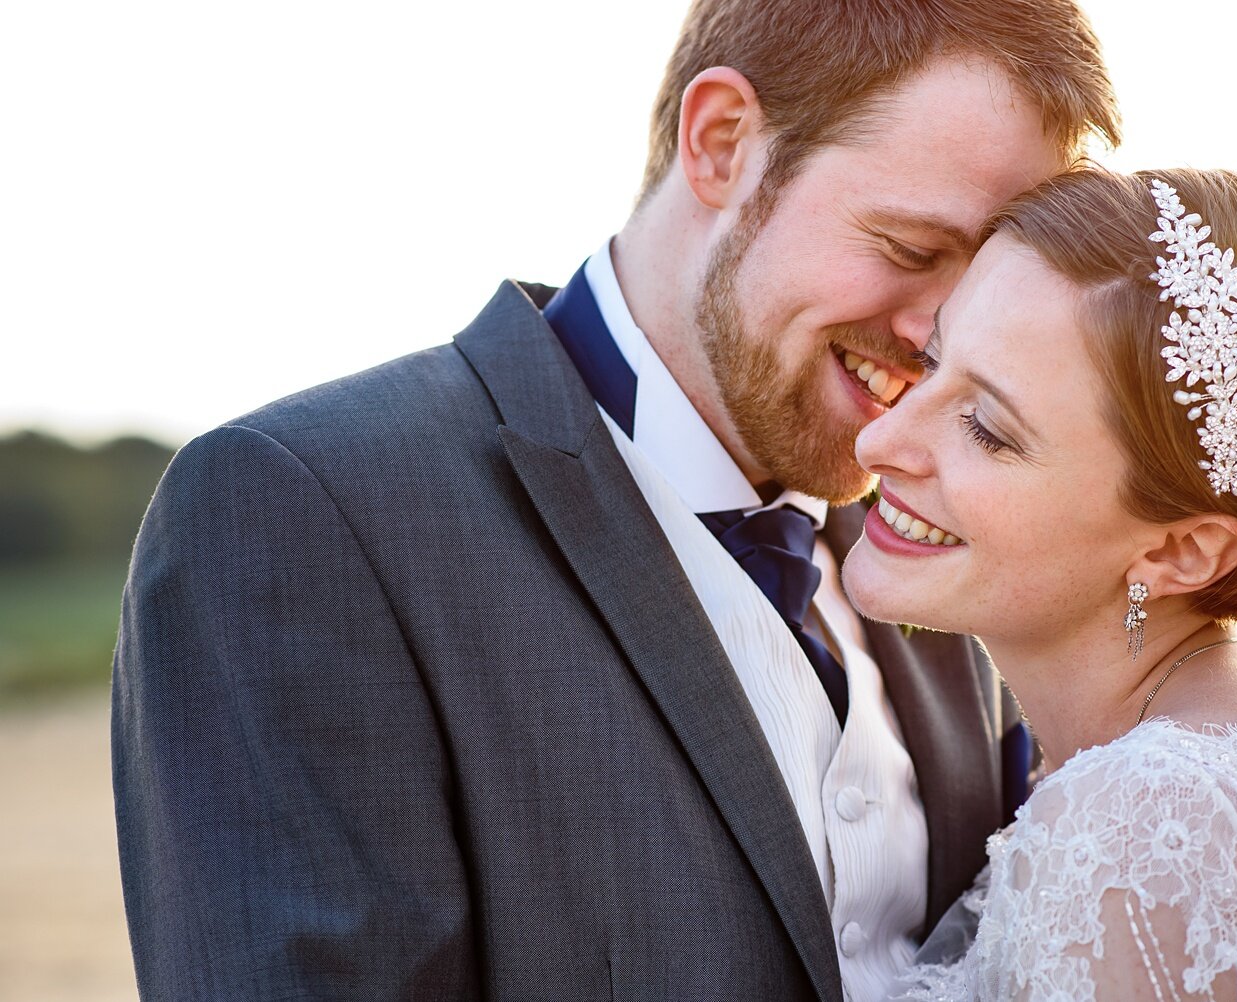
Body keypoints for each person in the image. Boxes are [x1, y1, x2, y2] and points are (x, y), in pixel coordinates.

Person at [110, 2, 1120, 999]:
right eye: (908, 249)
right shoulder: (304, 510)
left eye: (985, 279)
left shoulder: (943, 531)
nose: (945, 334)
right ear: (722, 142)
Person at [838, 166, 1237, 1000]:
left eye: (988, 430)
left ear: (1183, 552)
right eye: (932, 357)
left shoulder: (1145, 822)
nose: (883, 438)